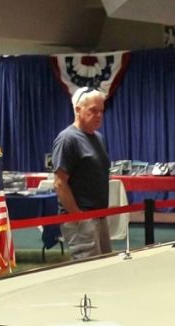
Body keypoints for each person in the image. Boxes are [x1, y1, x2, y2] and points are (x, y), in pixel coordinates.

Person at [51, 87, 112, 259]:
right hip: (81, 217)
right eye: (93, 110)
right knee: (88, 271)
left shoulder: (98, 138)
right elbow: (60, 182)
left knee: (104, 266)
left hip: (99, 215)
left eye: (101, 111)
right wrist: (78, 216)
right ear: (78, 110)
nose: (99, 115)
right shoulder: (67, 139)